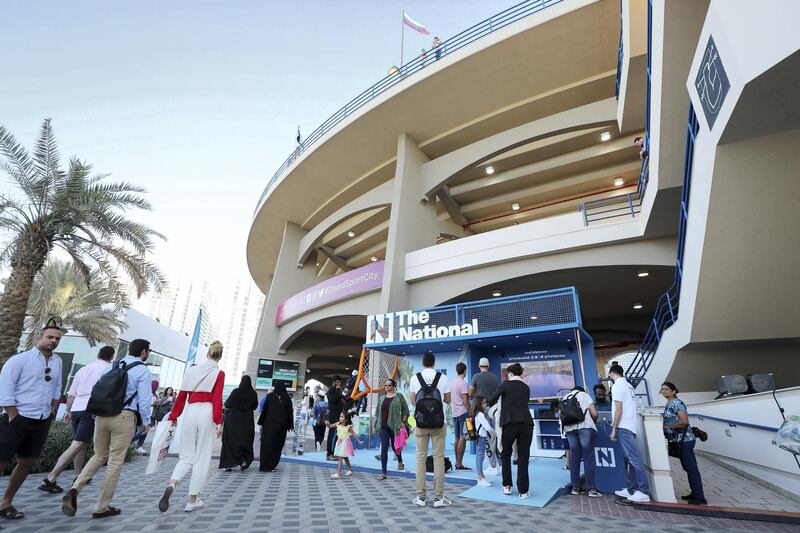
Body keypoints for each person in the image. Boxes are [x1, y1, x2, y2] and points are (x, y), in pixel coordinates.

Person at [62, 338, 154, 519]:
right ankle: (101, 507)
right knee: (114, 461)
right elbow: (144, 399)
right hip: (125, 416)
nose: (148, 353)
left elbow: (99, 389)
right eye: (148, 351)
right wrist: (146, 421)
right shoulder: (142, 370)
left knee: (99, 455)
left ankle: (74, 490)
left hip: (102, 416)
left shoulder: (111, 366)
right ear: (143, 352)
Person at [0, 318, 65, 520]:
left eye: (57, 338)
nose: (53, 341)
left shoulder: (57, 362)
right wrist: (12, 414)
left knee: (27, 462)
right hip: (17, 418)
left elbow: (56, 386)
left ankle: (6, 502)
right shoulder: (19, 360)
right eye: (50, 337)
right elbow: (6, 388)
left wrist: (53, 407)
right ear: (38, 338)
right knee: (1, 461)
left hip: (41, 420)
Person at [39, 345, 115, 494]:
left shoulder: (83, 369)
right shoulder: (108, 370)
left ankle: (79, 476)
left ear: (98, 354)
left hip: (76, 409)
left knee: (81, 444)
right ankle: (50, 478)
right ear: (112, 357)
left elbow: (71, 393)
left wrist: (68, 411)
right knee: (78, 444)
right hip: (90, 409)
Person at [409, 351, 451, 508]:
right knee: (438, 459)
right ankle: (438, 499)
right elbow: (448, 400)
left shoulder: (415, 378)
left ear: (423, 363)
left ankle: (420, 498)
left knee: (420, 459)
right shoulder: (443, 378)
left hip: (420, 423)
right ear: (434, 363)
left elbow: (413, 401)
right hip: (439, 423)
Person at [488, 362, 533, 499]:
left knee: (506, 454)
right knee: (523, 456)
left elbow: (491, 400)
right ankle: (523, 491)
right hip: (526, 423)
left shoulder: (505, 385)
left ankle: (507, 486)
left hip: (509, 422)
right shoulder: (526, 387)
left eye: (508, 373)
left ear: (511, 373)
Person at [608, 362, 650, 502]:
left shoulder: (617, 386)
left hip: (623, 426)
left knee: (634, 460)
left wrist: (614, 428)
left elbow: (618, 409)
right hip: (630, 426)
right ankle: (631, 489)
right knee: (630, 460)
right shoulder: (629, 386)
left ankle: (643, 491)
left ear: (612, 373)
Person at [660, 382, 706, 505]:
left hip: (685, 440)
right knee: (688, 467)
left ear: (673, 391)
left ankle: (700, 497)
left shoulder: (677, 403)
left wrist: (669, 427)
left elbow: (684, 421)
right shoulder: (669, 403)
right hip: (679, 440)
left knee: (691, 468)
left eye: (667, 389)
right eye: (662, 389)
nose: (664, 391)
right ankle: (695, 493)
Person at [562, 386, 601, 497]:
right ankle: (591, 489)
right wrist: (593, 423)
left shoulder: (565, 397)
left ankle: (575, 488)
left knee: (575, 457)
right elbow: (594, 413)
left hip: (569, 429)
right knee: (588, 457)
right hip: (584, 427)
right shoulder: (584, 395)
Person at [219, 375, 258, 473]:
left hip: (233, 422)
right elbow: (254, 406)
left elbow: (227, 404)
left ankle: (228, 464)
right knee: (246, 441)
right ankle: (244, 461)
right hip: (247, 422)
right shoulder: (253, 393)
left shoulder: (236, 391)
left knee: (230, 441)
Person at [373, 378, 409, 480]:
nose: (387, 387)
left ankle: (400, 461)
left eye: (389, 385)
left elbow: (405, 411)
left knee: (395, 447)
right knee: (384, 447)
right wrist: (373, 425)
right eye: (385, 385)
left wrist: (403, 422)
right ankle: (383, 472)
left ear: (393, 386)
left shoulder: (399, 397)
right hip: (383, 426)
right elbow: (377, 413)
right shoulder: (381, 398)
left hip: (395, 426)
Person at [257, 382, 294, 472]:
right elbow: (290, 413)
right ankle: (272, 465)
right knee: (277, 445)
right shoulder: (287, 398)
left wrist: (261, 422)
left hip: (269, 426)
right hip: (282, 427)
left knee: (267, 444)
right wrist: (290, 425)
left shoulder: (270, 396)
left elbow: (265, 410)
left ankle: (265, 465)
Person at [472, 396, 496, 487]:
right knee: (480, 456)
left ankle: (481, 475)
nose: (485, 405)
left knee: (480, 456)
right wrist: (494, 433)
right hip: (481, 437)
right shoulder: (480, 415)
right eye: (484, 403)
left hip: (481, 437)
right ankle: (480, 477)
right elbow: (487, 427)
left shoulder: (478, 413)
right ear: (479, 404)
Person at [451, 362, 470, 471]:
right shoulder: (463, 383)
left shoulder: (453, 382)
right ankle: (459, 463)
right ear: (465, 371)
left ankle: (457, 462)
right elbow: (465, 400)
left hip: (455, 413)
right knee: (463, 437)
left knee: (457, 437)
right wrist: (470, 410)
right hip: (463, 412)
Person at [132, 379, 159, 453]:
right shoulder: (148, 393)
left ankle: (138, 445)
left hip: (149, 414)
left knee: (145, 431)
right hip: (144, 414)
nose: (157, 387)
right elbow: (145, 404)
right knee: (142, 430)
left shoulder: (154, 394)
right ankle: (131, 443)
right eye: (157, 385)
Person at [329, 411, 357, 479]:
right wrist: (327, 423)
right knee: (345, 457)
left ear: (346, 419)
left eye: (342, 416)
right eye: (340, 416)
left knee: (340, 457)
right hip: (339, 443)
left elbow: (353, 433)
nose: (340, 418)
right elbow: (330, 426)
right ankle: (349, 469)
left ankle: (338, 473)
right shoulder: (337, 424)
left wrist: (359, 440)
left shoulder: (348, 427)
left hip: (345, 443)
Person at [325, 376, 344, 460]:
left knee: (337, 435)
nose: (338, 384)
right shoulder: (331, 390)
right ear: (333, 382)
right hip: (333, 416)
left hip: (338, 415)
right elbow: (332, 400)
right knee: (332, 435)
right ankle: (329, 454)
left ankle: (334, 452)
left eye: (339, 382)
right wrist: (337, 390)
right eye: (337, 382)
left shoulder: (339, 390)